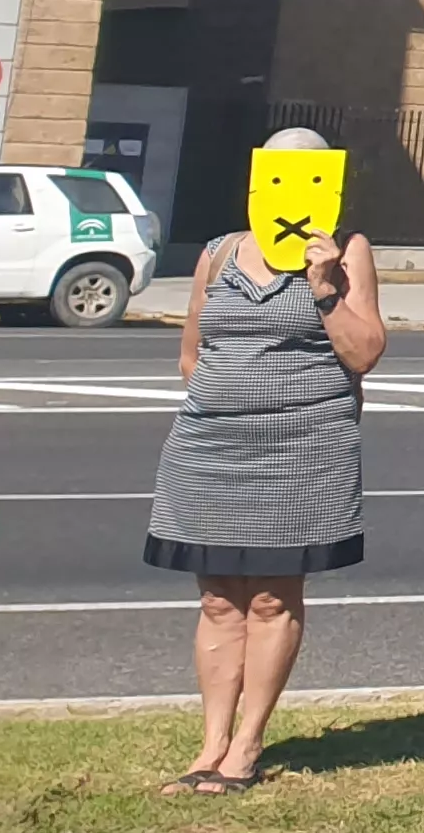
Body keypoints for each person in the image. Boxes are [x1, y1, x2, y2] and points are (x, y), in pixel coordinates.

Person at [143, 128, 386, 792]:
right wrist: (222, 405)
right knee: (219, 598)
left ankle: (247, 746)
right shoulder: (219, 252)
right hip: (209, 450)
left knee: (274, 598)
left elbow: (365, 352)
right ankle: (210, 744)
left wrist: (323, 287)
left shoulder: (348, 252)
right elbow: (193, 351)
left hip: (302, 451)